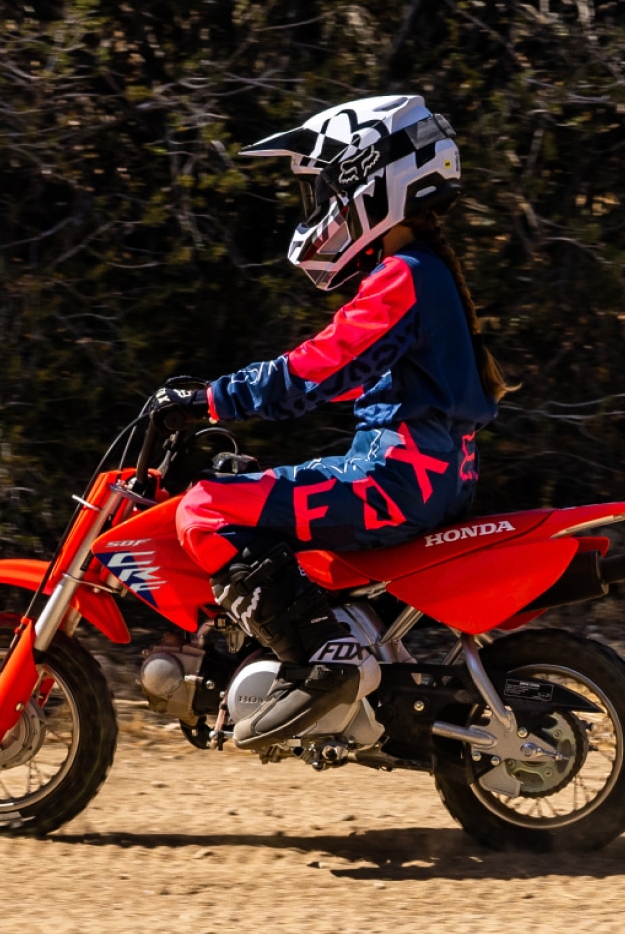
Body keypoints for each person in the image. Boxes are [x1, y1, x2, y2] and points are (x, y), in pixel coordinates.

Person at [145, 94, 513, 747]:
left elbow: (321, 368)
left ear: (372, 181)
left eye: (323, 192)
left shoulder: (402, 276)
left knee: (204, 511)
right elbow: (352, 379)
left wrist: (211, 398)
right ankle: (317, 653)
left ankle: (322, 657)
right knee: (252, 491)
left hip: (394, 480)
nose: (318, 212)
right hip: (424, 475)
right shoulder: (421, 273)